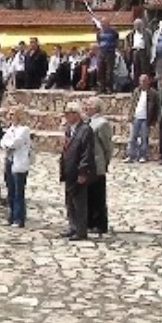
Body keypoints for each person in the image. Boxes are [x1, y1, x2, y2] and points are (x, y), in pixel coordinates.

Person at [59, 102, 95, 242]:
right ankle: (72, 226)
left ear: (76, 114)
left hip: (78, 171)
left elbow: (87, 152)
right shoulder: (70, 130)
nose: (66, 116)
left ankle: (81, 230)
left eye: (68, 113)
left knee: (79, 202)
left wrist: (83, 172)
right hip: (68, 170)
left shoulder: (85, 130)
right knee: (70, 201)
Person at [83, 97, 113, 235]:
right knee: (88, 194)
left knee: (98, 194)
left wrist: (105, 161)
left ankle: (100, 223)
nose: (86, 107)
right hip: (86, 163)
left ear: (96, 107)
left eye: (89, 105)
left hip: (97, 162)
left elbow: (107, 145)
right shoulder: (85, 122)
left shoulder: (102, 123)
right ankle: (89, 221)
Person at [0, 107, 33, 228]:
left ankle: (19, 218)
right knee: (10, 190)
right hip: (9, 161)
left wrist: (8, 144)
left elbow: (15, 143)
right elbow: (2, 142)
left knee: (19, 191)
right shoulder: (11, 129)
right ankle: (11, 215)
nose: (10, 116)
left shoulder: (24, 130)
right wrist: (7, 144)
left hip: (19, 163)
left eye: (12, 114)